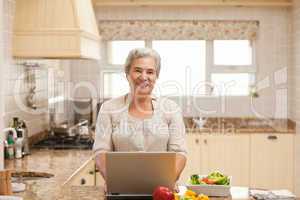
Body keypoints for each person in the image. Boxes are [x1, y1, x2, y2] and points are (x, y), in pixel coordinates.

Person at [93, 48, 187, 191]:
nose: (144, 77)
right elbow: (101, 152)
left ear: (156, 76)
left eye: (150, 72)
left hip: (162, 192)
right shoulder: (109, 108)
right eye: (137, 70)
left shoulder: (171, 109)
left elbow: (179, 152)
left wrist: (165, 182)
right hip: (120, 190)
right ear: (127, 74)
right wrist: (116, 181)